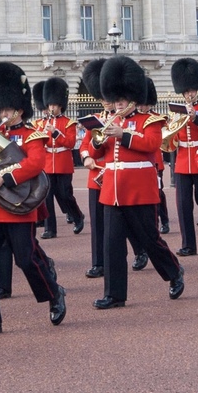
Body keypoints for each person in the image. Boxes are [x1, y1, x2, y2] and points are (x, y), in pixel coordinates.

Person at [0, 61, 66, 336]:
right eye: (2, 109)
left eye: (8, 110)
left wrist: (6, 178)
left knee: (26, 260)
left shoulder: (31, 135)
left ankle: (54, 293)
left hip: (18, 206)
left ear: (20, 110)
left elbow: (35, 164)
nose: (3, 113)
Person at [85, 54, 184, 309]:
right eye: (114, 100)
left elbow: (152, 145)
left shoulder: (151, 121)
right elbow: (97, 153)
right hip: (112, 190)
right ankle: (114, 294)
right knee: (112, 244)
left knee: (150, 240)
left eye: (120, 100)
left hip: (139, 190)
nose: (116, 105)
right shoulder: (109, 121)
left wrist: (124, 134)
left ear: (131, 98)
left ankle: (173, 272)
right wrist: (97, 141)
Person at [167, 58, 198, 257]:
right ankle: (188, 244)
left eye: (192, 90)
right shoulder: (176, 112)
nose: (189, 94)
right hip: (183, 161)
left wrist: (196, 119)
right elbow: (172, 136)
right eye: (186, 92)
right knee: (183, 206)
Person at [35, 78, 86, 239]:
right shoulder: (40, 123)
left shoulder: (69, 123)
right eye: (50, 105)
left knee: (65, 195)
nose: (52, 108)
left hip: (63, 162)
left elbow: (70, 143)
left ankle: (77, 216)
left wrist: (56, 132)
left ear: (60, 105)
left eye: (54, 105)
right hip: (48, 163)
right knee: (47, 197)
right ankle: (50, 229)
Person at [79, 59, 108, 280]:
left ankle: (139, 251)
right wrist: (86, 156)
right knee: (97, 223)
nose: (105, 102)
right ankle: (98, 262)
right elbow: (83, 144)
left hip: (115, 177)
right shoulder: (95, 120)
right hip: (95, 176)